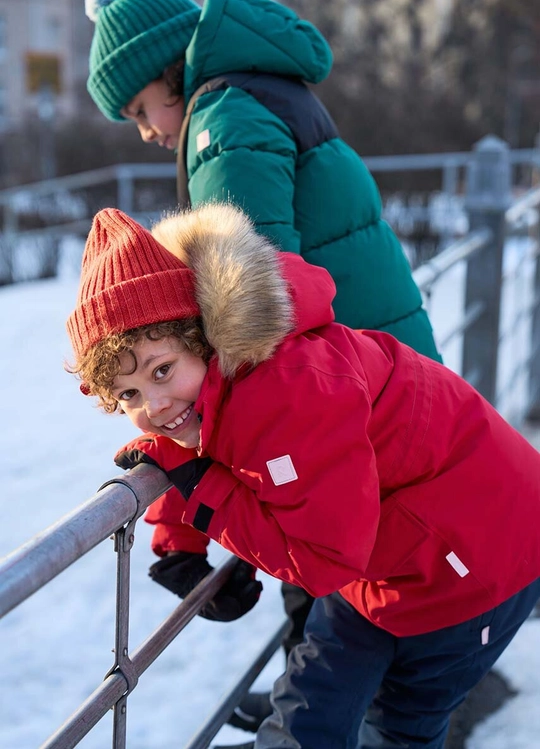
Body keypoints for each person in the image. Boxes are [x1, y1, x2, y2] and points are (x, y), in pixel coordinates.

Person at [83, 0, 443, 738]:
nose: (146, 130)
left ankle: (311, 714)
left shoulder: (223, 119)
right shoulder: (267, 90)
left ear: (169, 68)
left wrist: (206, 506)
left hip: (339, 386)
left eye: (142, 107)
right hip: (380, 371)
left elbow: (247, 314)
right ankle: (313, 703)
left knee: (331, 577)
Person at [67, 204, 540, 749]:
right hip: (380, 553)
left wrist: (200, 493)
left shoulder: (287, 391)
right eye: (129, 395)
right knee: (310, 708)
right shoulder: (228, 377)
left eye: (162, 371)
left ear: (202, 339)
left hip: (477, 560)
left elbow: (320, 558)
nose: (154, 404)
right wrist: (182, 543)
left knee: (399, 727)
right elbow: (204, 444)